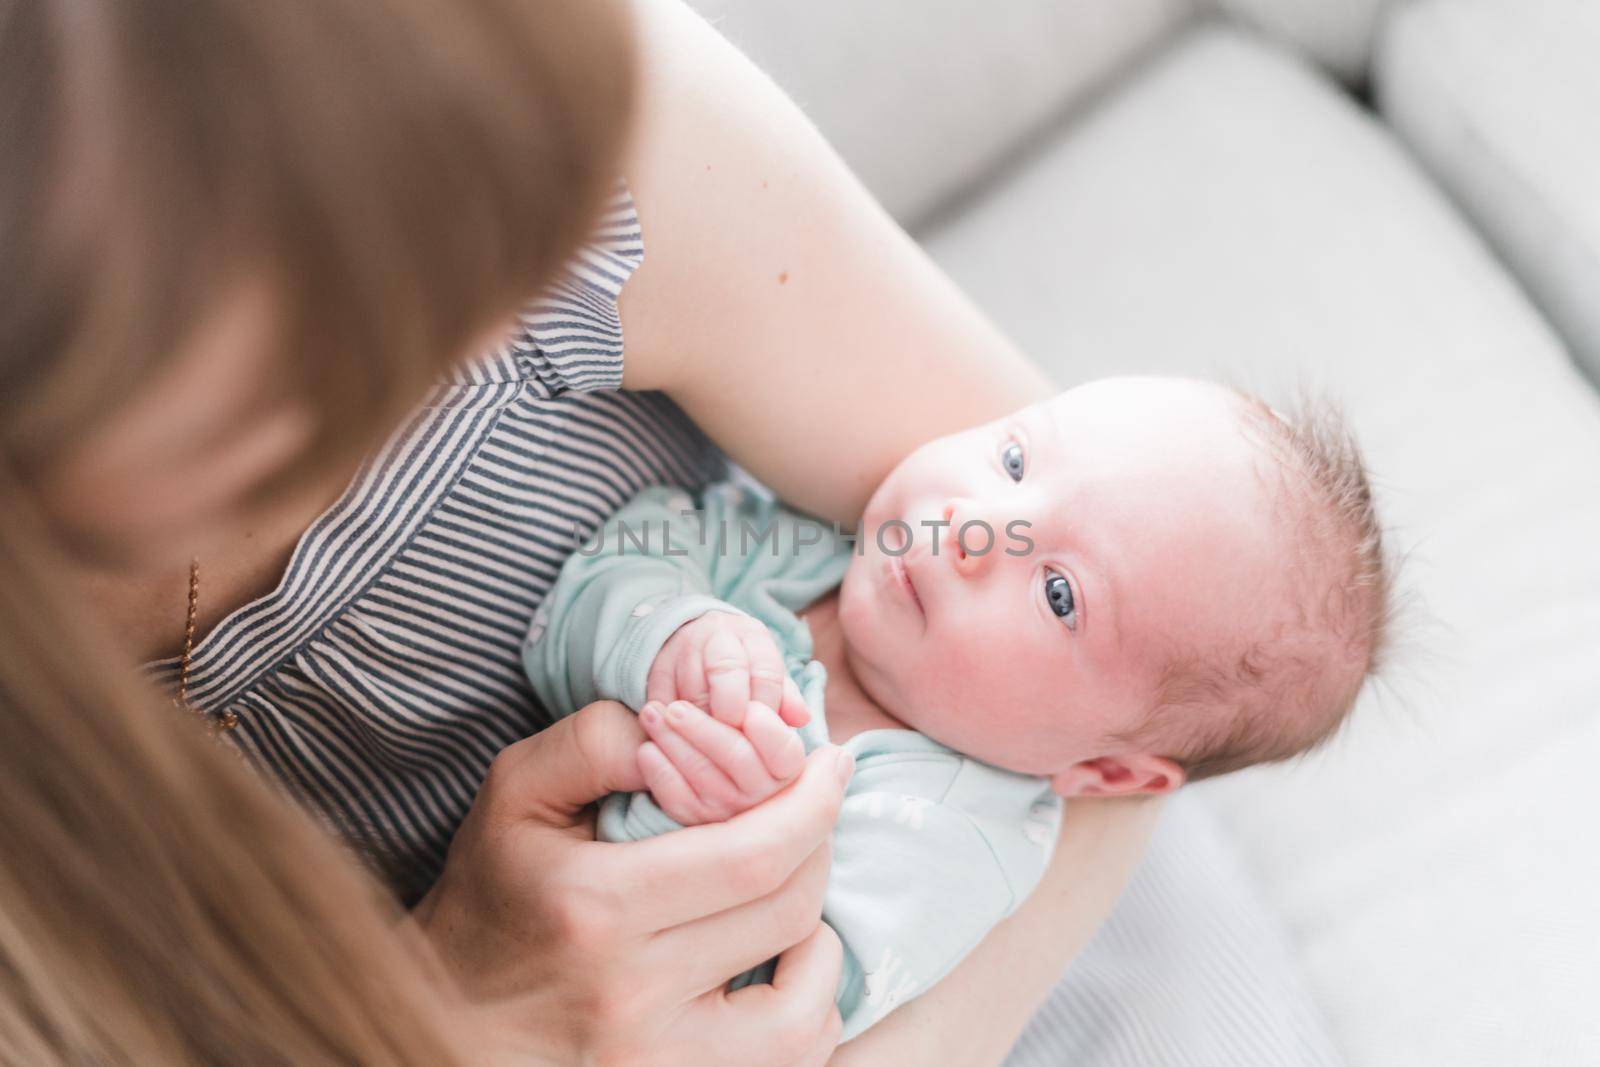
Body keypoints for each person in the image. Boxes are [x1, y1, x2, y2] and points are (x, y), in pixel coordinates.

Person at [0, 1, 1158, 1062]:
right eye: (343, 329)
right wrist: (449, 1010)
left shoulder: (576, 104)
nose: (512, 326)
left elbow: (1156, 672)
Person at [523, 376, 1391, 1040]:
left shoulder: (948, 837)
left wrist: (710, 813)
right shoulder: (803, 541)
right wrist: (672, 632)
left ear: (1106, 772)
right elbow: (595, 581)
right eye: (1015, 460)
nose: (973, 527)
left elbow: (769, 1014)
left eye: (1058, 594)